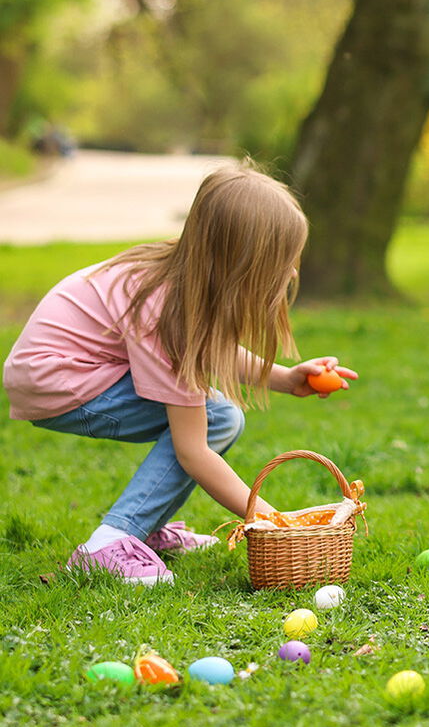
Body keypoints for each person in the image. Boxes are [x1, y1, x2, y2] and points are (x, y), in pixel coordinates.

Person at [2, 162, 358, 586]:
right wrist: (269, 519)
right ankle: (109, 545)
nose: (293, 272)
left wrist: (282, 378)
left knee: (222, 415)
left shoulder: (184, 278)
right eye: (282, 262)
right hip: (61, 381)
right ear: (241, 264)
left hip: (61, 373)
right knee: (221, 418)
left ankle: (145, 530)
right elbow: (193, 452)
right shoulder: (168, 312)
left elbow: (206, 348)